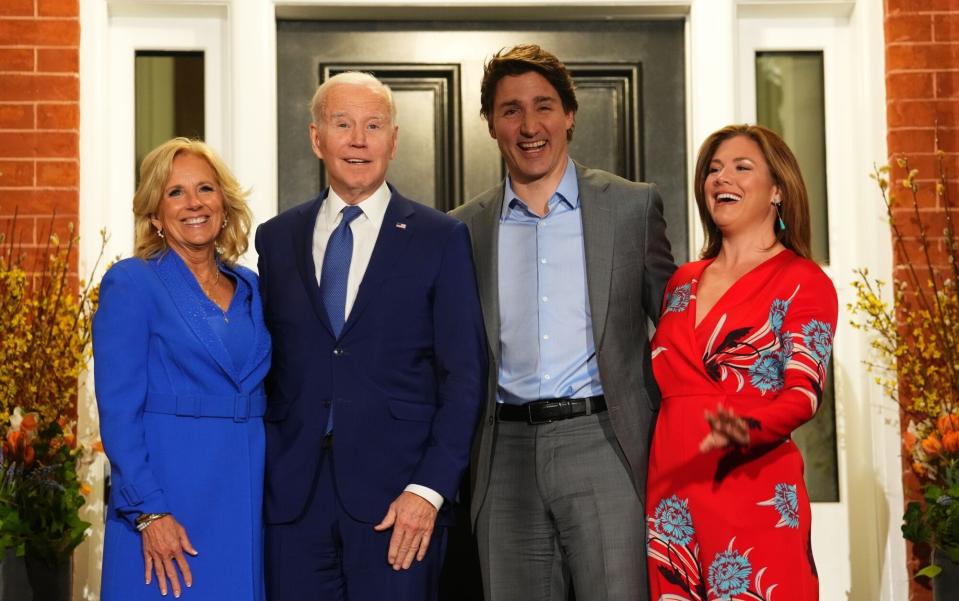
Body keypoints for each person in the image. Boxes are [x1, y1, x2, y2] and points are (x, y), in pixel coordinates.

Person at [450, 45, 676, 601]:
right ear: (490, 124)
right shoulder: (461, 230)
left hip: (606, 443)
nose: (530, 126)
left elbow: (678, 326)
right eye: (511, 110)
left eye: (544, 106)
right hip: (502, 455)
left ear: (570, 114)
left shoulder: (631, 208)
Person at [255, 71, 487, 601]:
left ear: (393, 139)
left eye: (373, 125)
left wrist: (429, 491)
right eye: (343, 124)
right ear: (317, 138)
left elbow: (464, 376)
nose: (358, 140)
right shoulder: (276, 238)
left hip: (398, 503)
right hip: (293, 502)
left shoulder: (440, 237)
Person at [645, 124, 837, 600]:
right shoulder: (681, 282)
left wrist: (747, 425)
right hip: (672, 495)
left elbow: (804, 393)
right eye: (713, 170)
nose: (720, 178)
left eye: (740, 167)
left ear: (777, 190)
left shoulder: (803, 280)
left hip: (753, 490)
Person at [93, 138, 271, 600]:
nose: (193, 203)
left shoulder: (251, 286)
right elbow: (118, 411)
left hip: (246, 494)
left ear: (224, 204)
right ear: (155, 214)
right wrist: (149, 511)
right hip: (167, 498)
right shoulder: (131, 282)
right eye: (175, 193)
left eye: (206, 189)